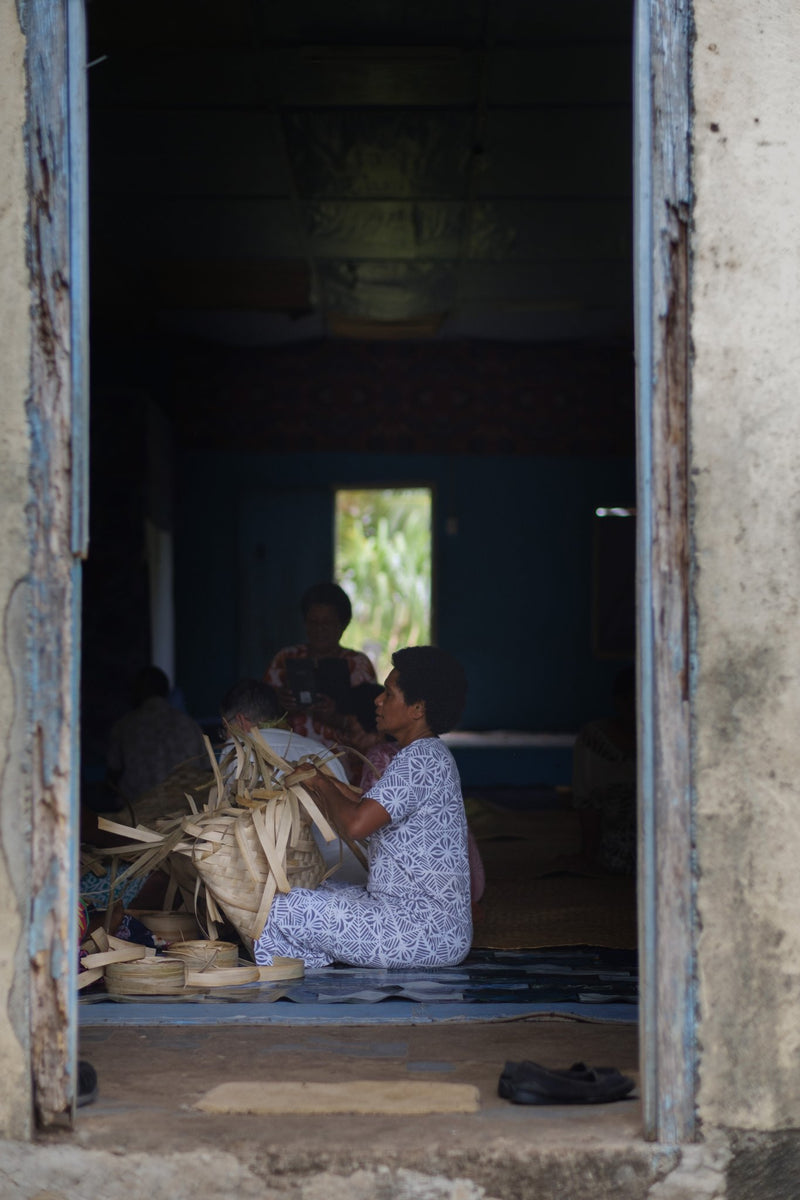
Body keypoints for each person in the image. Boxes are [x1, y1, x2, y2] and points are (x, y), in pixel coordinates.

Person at [253, 646, 472, 970]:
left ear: (417, 708)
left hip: (421, 932)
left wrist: (319, 783)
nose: (377, 700)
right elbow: (365, 803)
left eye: (388, 693)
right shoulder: (426, 754)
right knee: (314, 890)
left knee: (275, 910)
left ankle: (305, 980)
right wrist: (321, 777)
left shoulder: (422, 759)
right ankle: (324, 959)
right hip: (421, 922)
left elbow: (356, 824)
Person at [220, 677, 368, 885]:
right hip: (353, 869)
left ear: (241, 721)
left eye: (224, 728)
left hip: (299, 876)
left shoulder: (237, 751)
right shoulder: (319, 749)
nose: (226, 735)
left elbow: (227, 822)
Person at [263, 582, 376, 756]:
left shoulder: (358, 665)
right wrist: (280, 703)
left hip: (344, 764)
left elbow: (372, 727)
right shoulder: (284, 659)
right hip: (289, 760)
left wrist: (335, 718)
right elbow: (260, 715)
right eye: (313, 622)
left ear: (343, 624)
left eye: (328, 623)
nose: (319, 629)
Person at [106, 666, 206, 804]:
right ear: (166, 691)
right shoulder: (189, 725)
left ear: (138, 691)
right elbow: (207, 773)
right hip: (184, 813)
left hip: (135, 816)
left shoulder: (125, 726)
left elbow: (112, 776)